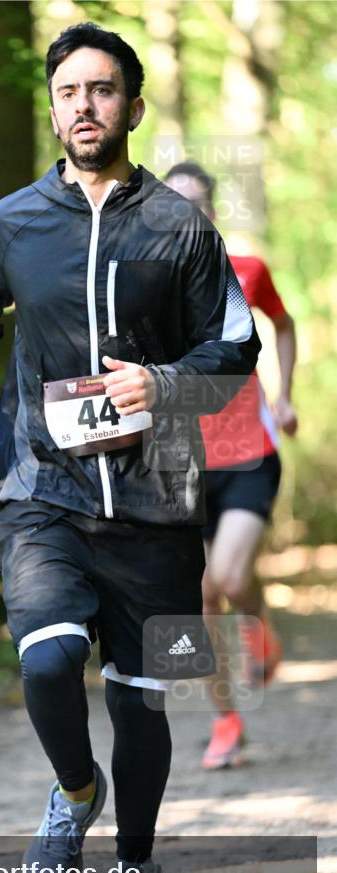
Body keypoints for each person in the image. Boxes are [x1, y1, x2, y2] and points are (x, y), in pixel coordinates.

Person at [0, 22, 260, 873]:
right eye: (69, 92)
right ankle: (74, 791)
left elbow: (237, 343)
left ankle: (136, 862)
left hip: (159, 501)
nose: (85, 105)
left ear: (133, 105)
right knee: (48, 663)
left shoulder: (179, 226)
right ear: (52, 108)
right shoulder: (9, 223)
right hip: (42, 490)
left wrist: (158, 386)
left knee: (144, 699)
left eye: (102, 89)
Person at [164, 162, 298, 770]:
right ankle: (226, 722)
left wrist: (285, 395)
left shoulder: (246, 271)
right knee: (197, 603)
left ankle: (258, 621)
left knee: (226, 576)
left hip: (249, 454)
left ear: (212, 211)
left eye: (195, 204)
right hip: (182, 466)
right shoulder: (145, 287)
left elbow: (284, 325)